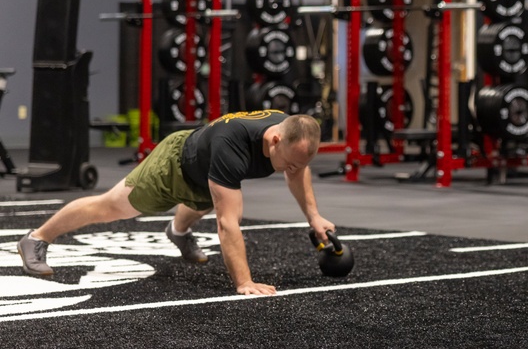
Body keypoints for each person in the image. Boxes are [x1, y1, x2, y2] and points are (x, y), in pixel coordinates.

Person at [17, 110, 334, 296]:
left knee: (207, 198)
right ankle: (35, 239)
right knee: (110, 207)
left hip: (202, 169)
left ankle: (178, 231)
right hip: (172, 167)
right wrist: (245, 282)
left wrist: (314, 217)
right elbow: (227, 225)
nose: (293, 170)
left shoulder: (287, 131)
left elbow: (297, 173)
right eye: (290, 163)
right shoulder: (232, 149)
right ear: (275, 140)